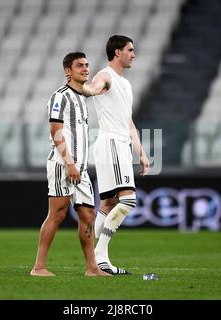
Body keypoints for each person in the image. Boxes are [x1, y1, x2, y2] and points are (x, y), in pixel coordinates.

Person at [31, 52, 110, 277]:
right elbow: (56, 132)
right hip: (62, 165)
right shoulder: (61, 97)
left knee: (87, 215)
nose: (85, 68)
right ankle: (39, 267)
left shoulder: (82, 98)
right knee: (57, 214)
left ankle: (92, 268)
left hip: (81, 169)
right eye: (79, 66)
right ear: (68, 71)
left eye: (87, 65)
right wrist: (69, 163)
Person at [82, 35, 150, 275]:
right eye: (130, 50)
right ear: (117, 52)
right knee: (129, 200)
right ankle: (101, 257)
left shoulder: (125, 84)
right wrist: (86, 88)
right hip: (111, 142)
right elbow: (93, 88)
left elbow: (129, 122)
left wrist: (141, 153)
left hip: (117, 143)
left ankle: (92, 259)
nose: (133, 54)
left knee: (109, 203)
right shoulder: (105, 76)